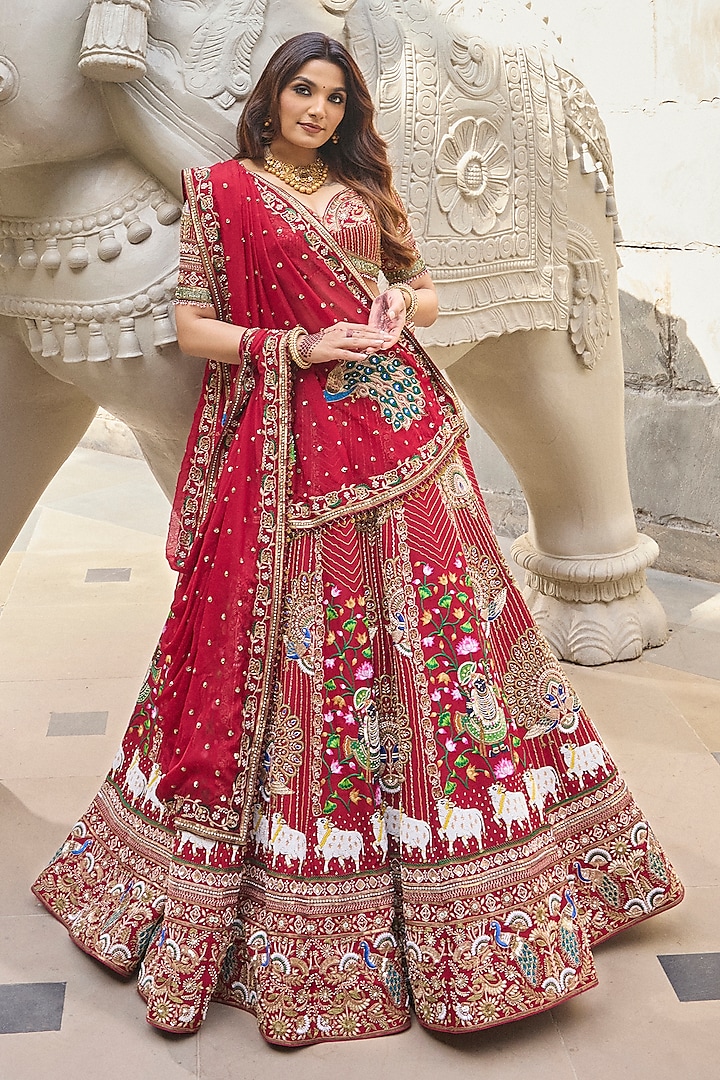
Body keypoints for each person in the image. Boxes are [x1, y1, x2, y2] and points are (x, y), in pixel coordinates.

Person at [32, 32, 683, 1046]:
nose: (320, 110)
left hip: (404, 432)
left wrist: (393, 306)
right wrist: (299, 342)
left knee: (452, 644)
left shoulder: (367, 193)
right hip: (293, 455)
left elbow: (422, 293)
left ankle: (493, 881)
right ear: (273, 96)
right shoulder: (225, 194)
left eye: (336, 96)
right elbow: (193, 327)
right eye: (304, 90)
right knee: (311, 654)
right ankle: (312, 894)